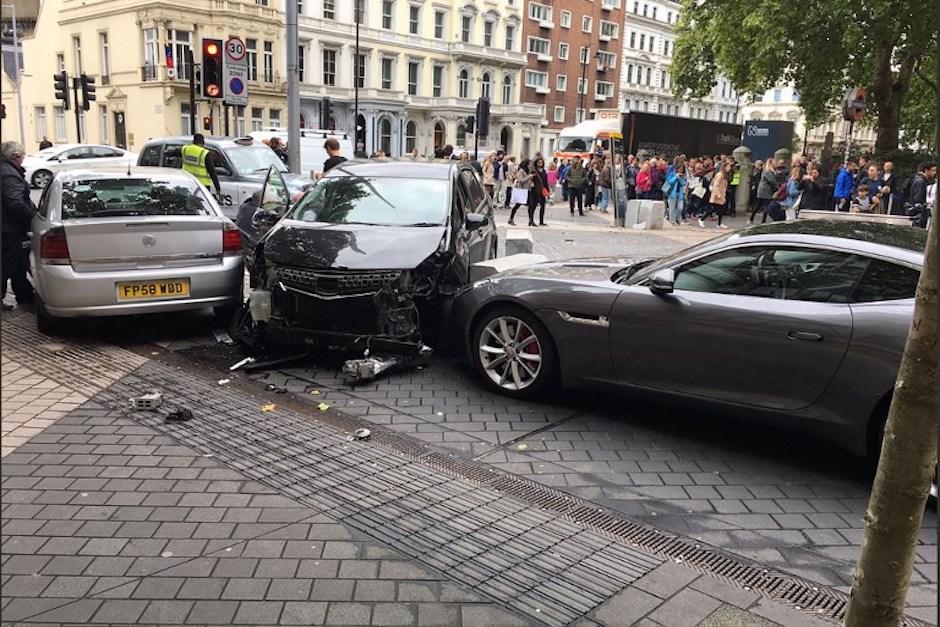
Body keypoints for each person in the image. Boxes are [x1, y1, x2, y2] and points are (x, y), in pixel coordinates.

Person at [1, 141, 37, 310]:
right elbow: (15, 202)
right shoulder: (10, 174)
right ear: (16, 156)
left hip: (9, 227)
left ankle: (24, 295)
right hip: (9, 228)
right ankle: (24, 296)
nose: (23, 158)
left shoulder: (7, 170)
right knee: (10, 263)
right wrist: (33, 218)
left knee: (17, 263)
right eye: (22, 155)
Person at [181, 133, 221, 199]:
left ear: (193, 141)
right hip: (202, 185)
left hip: (188, 182)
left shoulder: (185, 149)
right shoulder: (205, 153)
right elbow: (212, 172)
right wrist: (218, 188)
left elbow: (173, 153)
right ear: (203, 142)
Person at [699, 159, 731, 229]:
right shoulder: (720, 175)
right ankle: (702, 219)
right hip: (717, 195)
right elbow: (716, 184)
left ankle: (719, 224)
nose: (729, 168)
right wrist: (718, 194)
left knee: (721, 210)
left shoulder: (724, 175)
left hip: (722, 195)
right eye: (728, 167)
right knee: (713, 209)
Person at [508, 159, 533, 225]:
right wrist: (529, 177)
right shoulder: (521, 171)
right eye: (529, 164)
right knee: (517, 205)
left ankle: (531, 220)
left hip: (528, 190)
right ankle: (511, 218)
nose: (530, 166)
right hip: (522, 190)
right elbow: (520, 180)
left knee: (531, 205)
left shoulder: (529, 171)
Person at [529, 157, 549, 226]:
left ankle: (541, 221)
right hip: (535, 190)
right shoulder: (533, 171)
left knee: (543, 206)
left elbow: (545, 181)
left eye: (541, 162)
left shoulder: (544, 171)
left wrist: (547, 190)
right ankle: (531, 220)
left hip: (542, 190)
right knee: (533, 206)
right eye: (539, 162)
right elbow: (531, 180)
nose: (540, 164)